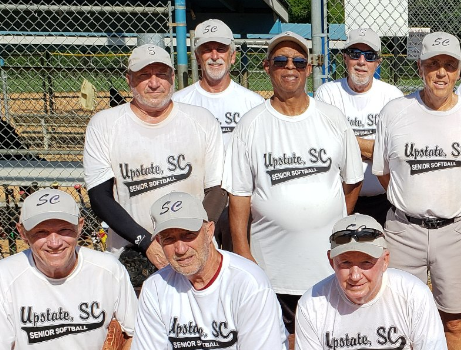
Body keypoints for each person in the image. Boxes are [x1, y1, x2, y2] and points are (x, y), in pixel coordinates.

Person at [225, 31, 364, 346]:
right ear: (267, 67)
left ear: (309, 67)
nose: (291, 67)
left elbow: (352, 181)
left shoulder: (332, 119)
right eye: (281, 60)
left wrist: (329, 220)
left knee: (332, 338)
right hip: (272, 271)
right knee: (277, 341)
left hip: (327, 267)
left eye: (299, 61)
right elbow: (238, 196)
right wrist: (244, 255)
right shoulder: (251, 124)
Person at [370, 31, 461, 350]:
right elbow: (384, 173)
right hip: (403, 229)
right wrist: (412, 200)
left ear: (459, 69)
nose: (441, 72)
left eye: (449, 65)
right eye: (433, 64)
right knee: (397, 319)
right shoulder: (395, 112)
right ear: (420, 67)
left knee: (453, 321)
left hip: (457, 230)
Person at [83, 44, 225, 275]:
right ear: (129, 79)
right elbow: (100, 197)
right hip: (132, 250)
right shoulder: (105, 125)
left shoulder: (201, 120)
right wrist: (146, 242)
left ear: (172, 78)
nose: (154, 82)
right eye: (144, 75)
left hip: (194, 250)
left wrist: (190, 238)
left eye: (161, 74)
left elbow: (217, 189)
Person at [0, 189, 137, 349]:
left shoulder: (108, 270)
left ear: (80, 227)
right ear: (22, 233)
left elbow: (137, 333)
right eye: (41, 232)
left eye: (64, 230)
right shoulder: (1, 278)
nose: (54, 243)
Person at [133, 192, 287, 350]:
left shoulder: (249, 283)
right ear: (159, 242)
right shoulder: (155, 288)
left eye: (188, 235)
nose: (180, 249)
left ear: (209, 231)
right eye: (169, 239)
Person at [172, 19, 267, 252]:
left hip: (243, 202)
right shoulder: (179, 102)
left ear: (232, 56)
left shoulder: (252, 103)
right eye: (207, 49)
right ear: (197, 56)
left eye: (221, 49)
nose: (214, 55)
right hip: (197, 202)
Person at [294, 214, 446, 350]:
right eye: (345, 262)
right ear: (331, 261)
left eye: (366, 262)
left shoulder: (413, 294)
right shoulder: (312, 305)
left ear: (385, 260)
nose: (355, 275)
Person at [316, 28, 404, 226]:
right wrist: (376, 150)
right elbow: (328, 151)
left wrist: (348, 144)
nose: (362, 61)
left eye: (370, 56)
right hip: (340, 198)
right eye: (355, 54)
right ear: (345, 58)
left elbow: (396, 154)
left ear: (378, 62)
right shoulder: (328, 93)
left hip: (384, 200)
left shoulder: (392, 96)